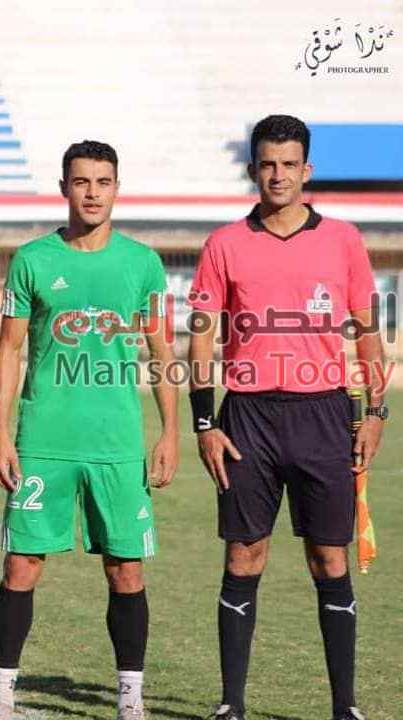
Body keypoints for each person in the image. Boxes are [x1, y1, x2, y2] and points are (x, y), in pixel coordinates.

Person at [188, 115, 384, 720]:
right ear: (253, 169)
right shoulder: (224, 244)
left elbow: (367, 332)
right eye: (268, 164)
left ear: (307, 170)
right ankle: (232, 705)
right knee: (244, 555)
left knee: (330, 558)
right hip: (247, 417)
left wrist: (376, 410)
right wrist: (204, 424)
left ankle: (344, 707)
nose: (278, 175)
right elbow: (201, 338)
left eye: (289, 164)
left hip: (324, 413)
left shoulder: (343, 240)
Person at [0, 141, 178, 720]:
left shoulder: (142, 263)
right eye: (82, 181)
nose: (92, 193)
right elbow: (8, 350)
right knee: (22, 566)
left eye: (103, 181)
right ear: (64, 187)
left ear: (117, 187)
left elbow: (161, 350)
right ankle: (1, 695)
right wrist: (0, 433)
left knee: (127, 570)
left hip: (117, 444)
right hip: (44, 441)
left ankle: (130, 697)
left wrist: (170, 431)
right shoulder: (32, 259)